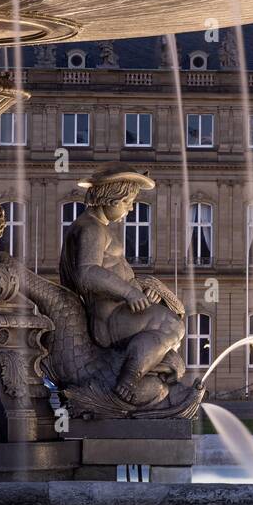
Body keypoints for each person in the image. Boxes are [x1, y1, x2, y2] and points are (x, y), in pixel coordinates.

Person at [59, 165, 185, 403]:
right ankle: (129, 378)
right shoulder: (91, 229)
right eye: (127, 201)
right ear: (111, 198)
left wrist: (139, 289)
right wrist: (129, 292)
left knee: (170, 331)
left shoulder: (96, 226)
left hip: (117, 314)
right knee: (172, 326)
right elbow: (86, 272)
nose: (130, 207)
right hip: (109, 319)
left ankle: (141, 374)